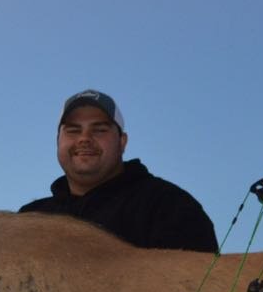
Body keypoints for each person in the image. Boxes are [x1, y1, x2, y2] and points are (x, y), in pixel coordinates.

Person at [20, 90, 218, 253]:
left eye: (99, 130)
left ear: (122, 142)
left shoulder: (169, 206)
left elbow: (195, 289)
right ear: (57, 142)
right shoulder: (29, 218)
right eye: (73, 130)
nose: (84, 138)